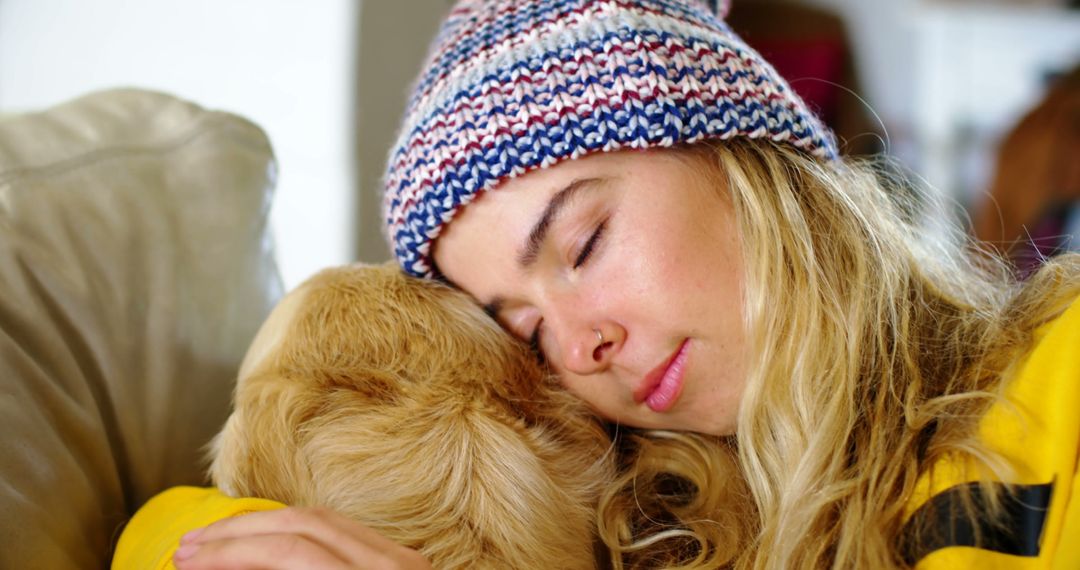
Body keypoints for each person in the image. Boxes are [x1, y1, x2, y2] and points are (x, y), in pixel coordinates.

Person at [146, 0, 1080, 568]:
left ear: (743, 156)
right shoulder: (619, 527)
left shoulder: (1060, 379)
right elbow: (163, 537)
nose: (577, 346)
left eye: (585, 243)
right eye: (520, 328)